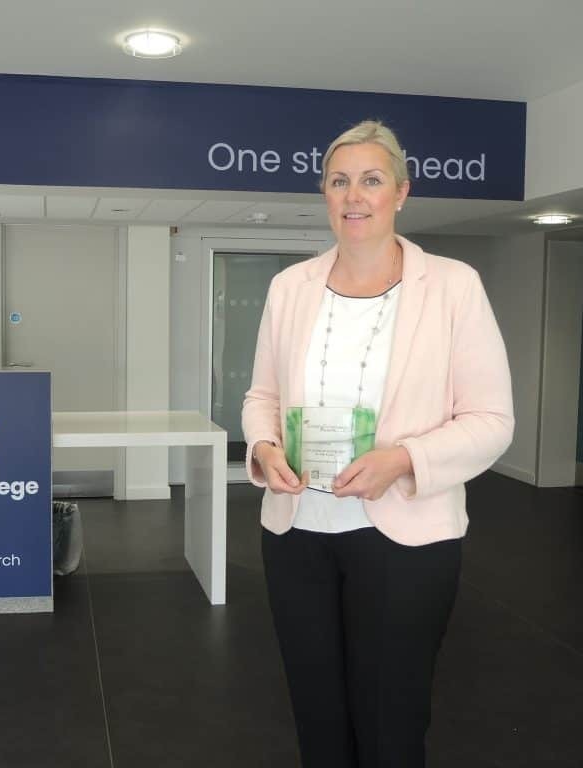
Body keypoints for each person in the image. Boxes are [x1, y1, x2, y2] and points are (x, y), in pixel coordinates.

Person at [242, 120, 514, 768]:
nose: (353, 195)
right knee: (316, 712)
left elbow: (492, 419)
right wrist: (264, 448)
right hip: (297, 531)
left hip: (407, 539)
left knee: (391, 715)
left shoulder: (452, 286)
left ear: (400, 192)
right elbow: (262, 397)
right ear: (325, 194)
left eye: (370, 180)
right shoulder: (291, 288)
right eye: (339, 181)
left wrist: (402, 460)